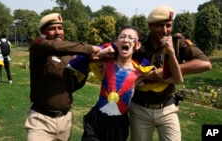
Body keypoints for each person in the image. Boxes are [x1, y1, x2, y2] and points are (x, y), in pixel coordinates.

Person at [69, 25, 183, 141]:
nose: (126, 39)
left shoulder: (140, 72)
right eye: (122, 37)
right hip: (96, 119)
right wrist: (101, 51)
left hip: (118, 125)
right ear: (116, 43)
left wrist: (171, 52)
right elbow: (76, 62)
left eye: (131, 38)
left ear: (138, 45)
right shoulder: (105, 63)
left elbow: (176, 79)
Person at [129, 6, 212, 141]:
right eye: (159, 26)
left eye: (168, 25)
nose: (165, 30)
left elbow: (205, 63)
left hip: (167, 108)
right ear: (150, 26)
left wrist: (170, 71)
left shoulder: (177, 42)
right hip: (140, 109)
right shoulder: (139, 44)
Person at [24, 13, 103, 141]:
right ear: (43, 32)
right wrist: (90, 48)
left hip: (65, 120)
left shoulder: (69, 57)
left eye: (60, 28)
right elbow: (54, 46)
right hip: (40, 120)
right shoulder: (39, 45)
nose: (58, 32)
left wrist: (85, 70)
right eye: (52, 29)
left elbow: (73, 86)